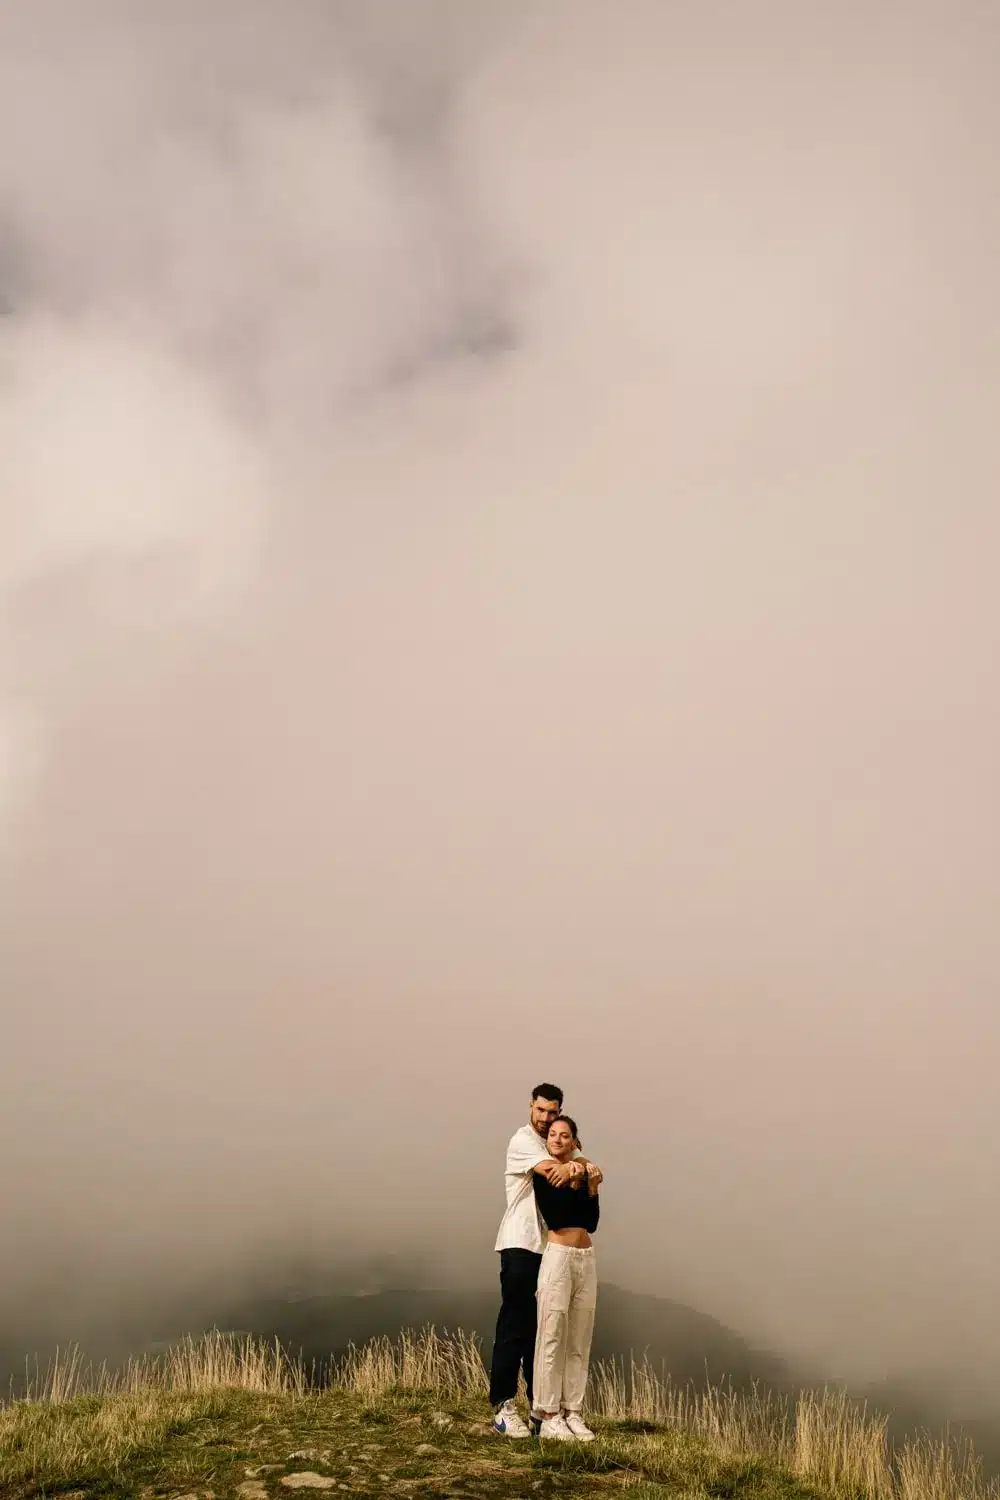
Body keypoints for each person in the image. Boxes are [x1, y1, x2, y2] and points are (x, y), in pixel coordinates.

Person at [490, 1085, 603, 1439]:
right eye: (540, 1111)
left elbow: (581, 1164)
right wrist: (577, 1167)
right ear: (530, 1107)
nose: (545, 1119)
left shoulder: (556, 1140)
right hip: (521, 1243)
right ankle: (503, 1406)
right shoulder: (522, 1141)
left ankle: (541, 1409)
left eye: (552, 1113)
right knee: (516, 1324)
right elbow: (556, 1171)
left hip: (551, 1250)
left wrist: (580, 1167)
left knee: (546, 1332)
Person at [531, 1114, 600, 1442]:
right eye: (553, 1135)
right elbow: (557, 1218)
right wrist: (575, 1177)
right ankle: (548, 1413)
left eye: (565, 1135)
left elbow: (592, 1221)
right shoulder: (543, 1173)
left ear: (574, 1141)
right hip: (558, 1257)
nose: (557, 1139)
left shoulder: (585, 1171)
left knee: (579, 1337)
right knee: (552, 1334)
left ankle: (573, 1410)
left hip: (585, 1257)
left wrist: (591, 1185)